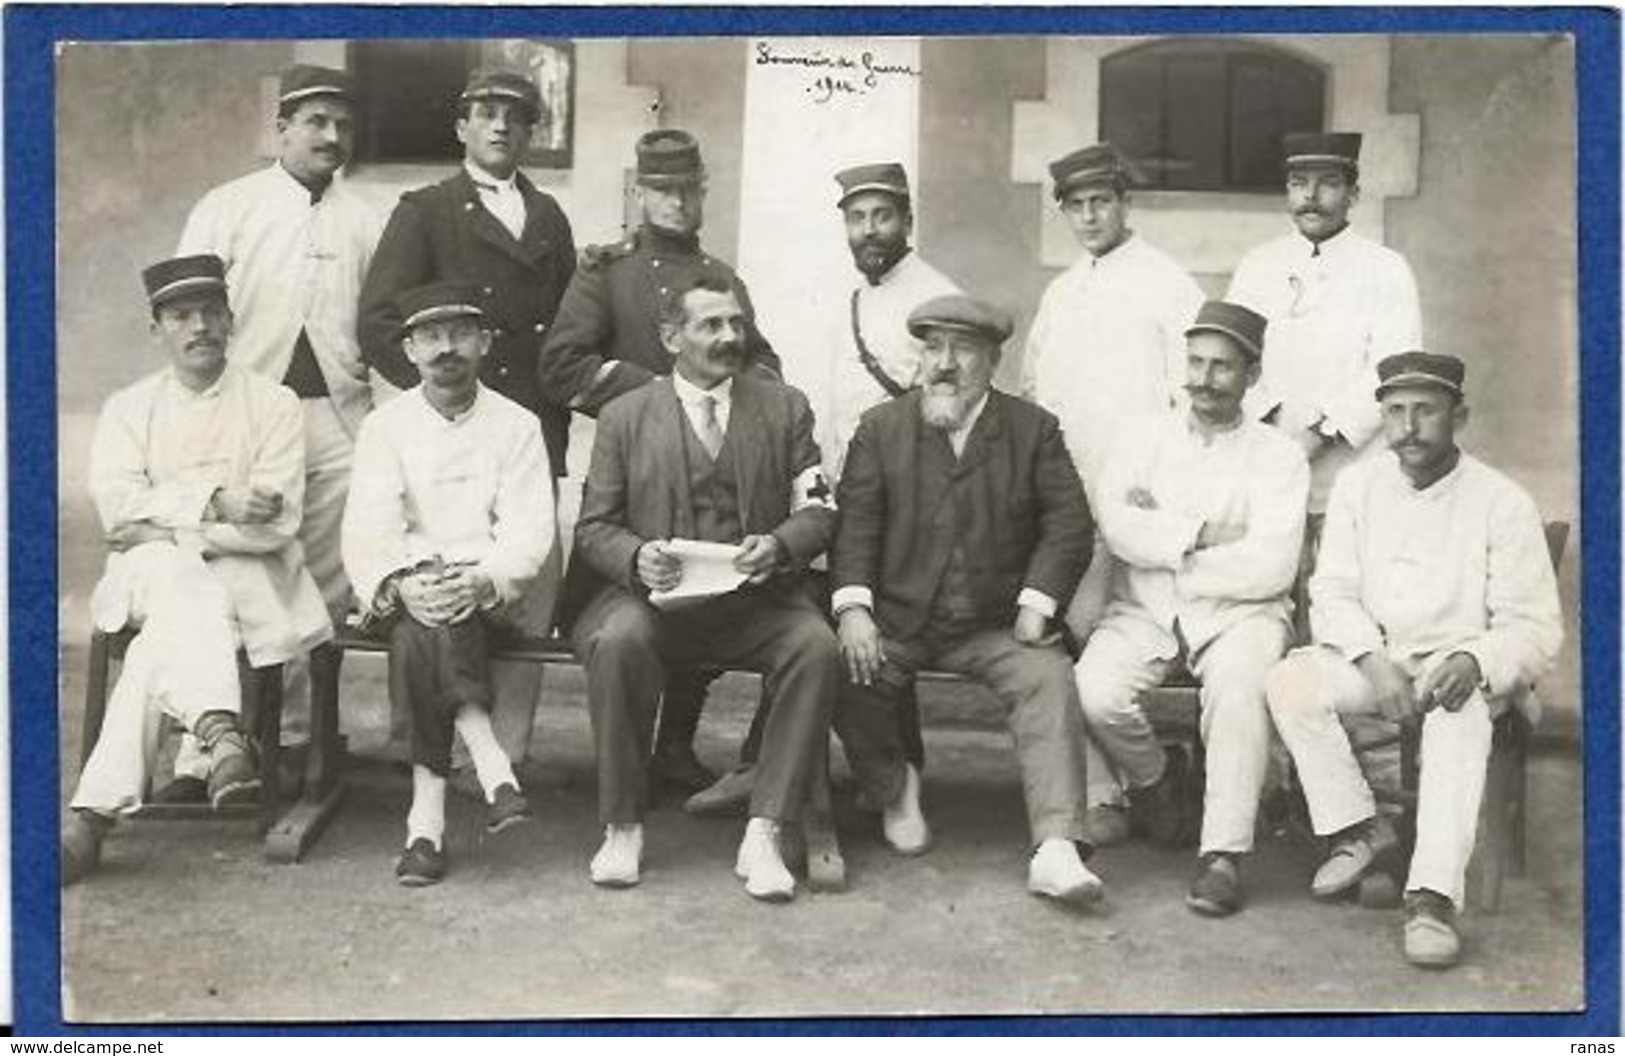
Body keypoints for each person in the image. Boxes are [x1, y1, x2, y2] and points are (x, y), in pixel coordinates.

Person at [1264, 351, 1561, 969]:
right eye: (1395, 411)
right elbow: (1334, 591)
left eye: (1426, 410)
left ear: (1460, 415)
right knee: (1291, 681)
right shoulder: (1358, 486)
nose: (1408, 427)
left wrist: (1475, 661)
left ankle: (1430, 898)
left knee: (1458, 716)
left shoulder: (1501, 501)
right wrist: (1371, 661)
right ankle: (1361, 828)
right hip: (1382, 660)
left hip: (1463, 666)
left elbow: (1534, 627)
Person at [684, 160, 956, 818]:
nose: (870, 230)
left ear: (907, 221)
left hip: (909, 499)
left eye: (882, 216)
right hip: (844, 491)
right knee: (813, 615)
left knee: (872, 625)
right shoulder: (847, 295)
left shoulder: (935, 299)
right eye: (857, 218)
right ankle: (795, 766)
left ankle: (876, 773)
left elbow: (945, 414)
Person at [567, 269, 839, 902]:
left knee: (814, 646)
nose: (728, 336)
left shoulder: (785, 407)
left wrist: (781, 543)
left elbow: (819, 509)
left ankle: (765, 829)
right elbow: (594, 527)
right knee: (615, 642)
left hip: (754, 602)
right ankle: (623, 825)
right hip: (654, 603)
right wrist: (636, 558)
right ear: (671, 338)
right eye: (710, 324)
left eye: (736, 323)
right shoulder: (624, 416)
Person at [62, 254, 332, 885]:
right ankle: (223, 735)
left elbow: (274, 524)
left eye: (212, 312)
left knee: (175, 613)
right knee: (180, 576)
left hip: (249, 574)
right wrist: (218, 501)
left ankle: (94, 816)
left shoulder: (274, 403)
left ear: (232, 321)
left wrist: (169, 520)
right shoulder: (129, 407)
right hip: (146, 575)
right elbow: (116, 513)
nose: (199, 327)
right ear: (156, 329)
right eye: (181, 315)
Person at [831, 294, 1103, 905]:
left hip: (996, 624)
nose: (945, 363)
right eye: (933, 347)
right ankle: (894, 786)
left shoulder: (1033, 431)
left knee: (1048, 677)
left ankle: (1057, 847)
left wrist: (1039, 602)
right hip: (902, 619)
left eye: (963, 349)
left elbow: (1069, 524)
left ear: (993, 360)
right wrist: (854, 610)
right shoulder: (883, 429)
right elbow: (855, 526)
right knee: (842, 665)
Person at [539, 129, 784, 799]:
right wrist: (661, 399)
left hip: (713, 469)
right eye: (664, 190)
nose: (678, 202)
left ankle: (674, 747)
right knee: (631, 621)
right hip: (634, 476)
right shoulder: (606, 272)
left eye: (689, 189)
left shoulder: (720, 279)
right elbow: (560, 367)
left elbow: (762, 363)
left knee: (708, 592)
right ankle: (625, 762)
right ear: (640, 193)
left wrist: (736, 399)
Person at [357, 67, 577, 789]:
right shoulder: (425, 209)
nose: (500, 127)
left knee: (518, 592)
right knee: (430, 586)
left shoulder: (548, 216)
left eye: (515, 117)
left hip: (524, 432)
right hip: (447, 431)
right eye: (485, 113)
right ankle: (422, 745)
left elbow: (568, 325)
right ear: (461, 127)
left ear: (528, 131)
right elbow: (379, 321)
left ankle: (504, 754)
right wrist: (436, 402)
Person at [172, 63, 382, 799]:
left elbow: (379, 325)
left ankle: (299, 739)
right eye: (316, 121)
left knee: (321, 581)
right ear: (282, 128)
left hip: (336, 415)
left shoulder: (367, 217)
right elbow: (186, 316)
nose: (331, 136)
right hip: (248, 415)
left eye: (343, 124)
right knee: (226, 570)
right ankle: (211, 742)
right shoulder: (228, 207)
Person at [1072, 300, 1308, 917]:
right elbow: (1118, 525)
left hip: (1242, 617)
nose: (1203, 379)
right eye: (1196, 363)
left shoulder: (1278, 456)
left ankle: (1223, 855)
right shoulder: (1143, 434)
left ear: (1252, 376)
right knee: (1093, 690)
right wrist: (1205, 532)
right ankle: (1156, 781)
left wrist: (1166, 538)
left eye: (1223, 367)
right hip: (1145, 608)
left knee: (1238, 689)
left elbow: (1271, 567)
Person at [1020, 142, 1207, 845]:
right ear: (1064, 212)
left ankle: (1151, 775)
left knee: (1121, 655)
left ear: (1124, 202)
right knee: (1066, 643)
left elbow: (1189, 398)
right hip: (1070, 505)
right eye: (1076, 205)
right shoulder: (1061, 292)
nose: (1091, 215)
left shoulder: (1166, 283)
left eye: (1102, 201)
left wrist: (1163, 495)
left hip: (1140, 502)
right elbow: (1037, 395)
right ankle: (1103, 793)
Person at [343, 282, 555, 886]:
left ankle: (426, 824)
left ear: (484, 342)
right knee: (420, 628)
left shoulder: (517, 425)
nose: (446, 349)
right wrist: (405, 581)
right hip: (408, 588)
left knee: (427, 635)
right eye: (430, 337)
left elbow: (528, 529)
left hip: (486, 593)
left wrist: (481, 580)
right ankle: (484, 772)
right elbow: (370, 525)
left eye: (460, 333)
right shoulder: (385, 427)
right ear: (409, 350)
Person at [1226, 131, 1423, 517]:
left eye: (1328, 184)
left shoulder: (1386, 269)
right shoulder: (1257, 265)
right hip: (1265, 453)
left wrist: (1322, 435)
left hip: (1353, 461)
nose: (1311, 196)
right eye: (1299, 184)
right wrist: (1269, 425)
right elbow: (1232, 354)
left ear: (1353, 194)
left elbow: (1393, 369)